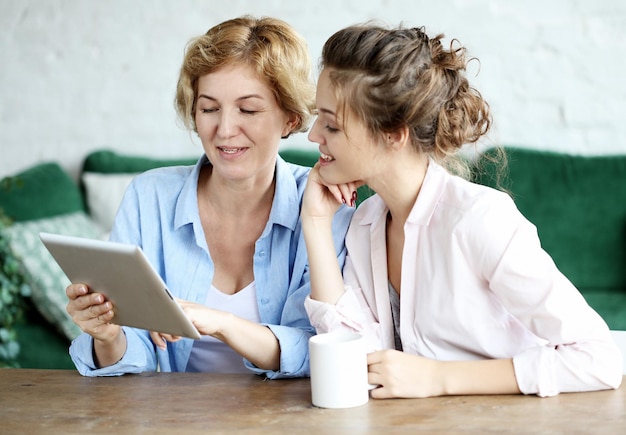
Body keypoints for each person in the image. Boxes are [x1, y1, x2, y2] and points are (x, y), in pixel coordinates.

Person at [301, 23, 623, 398]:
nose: (313, 136)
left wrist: (439, 378)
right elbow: (356, 359)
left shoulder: (479, 220)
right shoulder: (365, 222)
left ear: (394, 134)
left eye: (332, 125)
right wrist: (316, 223)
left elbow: (600, 358)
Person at [65, 16, 353, 378]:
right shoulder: (148, 197)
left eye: (248, 109)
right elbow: (134, 354)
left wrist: (223, 323)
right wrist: (106, 335)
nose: (225, 130)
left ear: (291, 119)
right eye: (209, 108)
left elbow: (324, 349)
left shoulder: (324, 207)